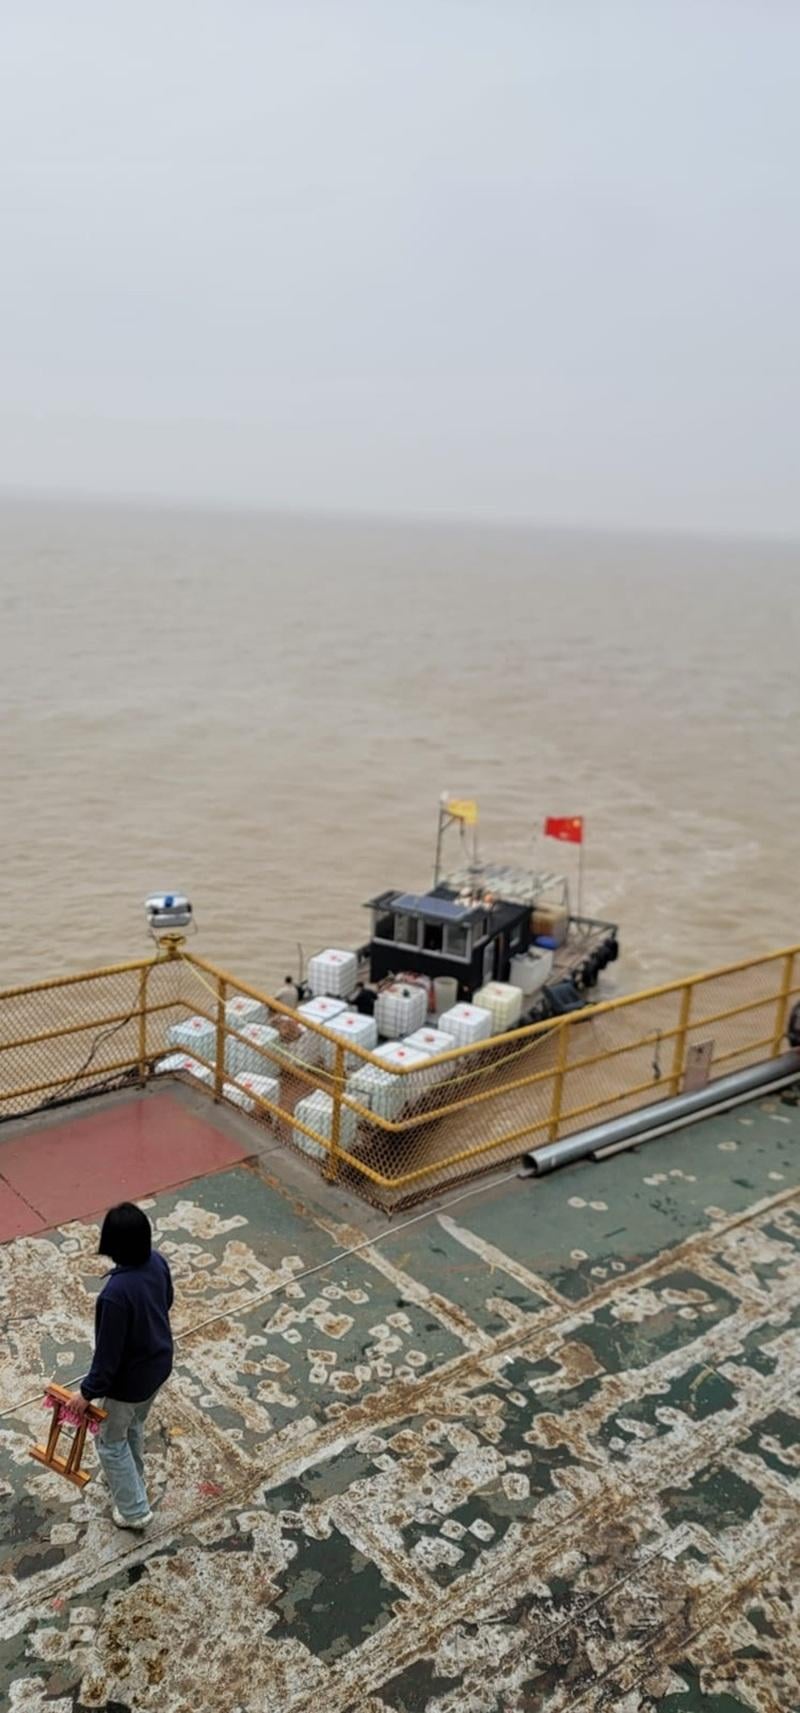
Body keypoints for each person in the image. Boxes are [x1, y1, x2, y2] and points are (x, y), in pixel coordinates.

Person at [70, 1202, 173, 1531]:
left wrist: (87, 1393)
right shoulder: (157, 1262)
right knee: (132, 1426)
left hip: (128, 1383)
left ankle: (133, 1511)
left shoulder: (114, 1295)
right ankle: (131, 1479)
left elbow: (108, 1356)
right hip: (158, 1365)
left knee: (110, 1443)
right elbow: (167, 1300)